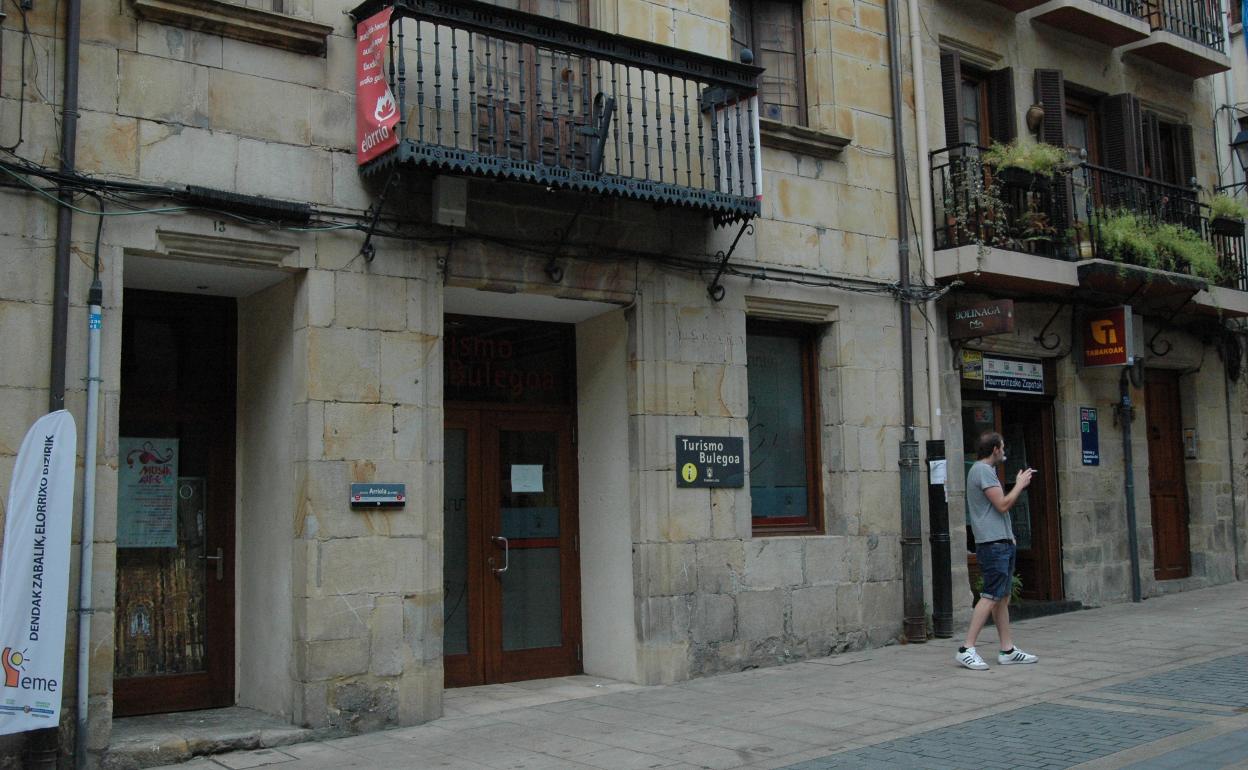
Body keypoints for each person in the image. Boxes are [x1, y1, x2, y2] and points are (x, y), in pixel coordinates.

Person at [955, 431, 1038, 670]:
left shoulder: (985, 471)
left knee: (1002, 597)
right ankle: (966, 649)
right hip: (993, 545)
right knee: (991, 595)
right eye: (1002, 447)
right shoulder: (982, 470)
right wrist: (1020, 484)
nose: (1004, 451)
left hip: (1001, 543)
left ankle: (1007, 649)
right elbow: (1002, 505)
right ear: (995, 450)